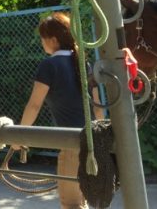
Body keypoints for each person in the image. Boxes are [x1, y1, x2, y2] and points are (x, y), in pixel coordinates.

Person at [12, 12, 104, 209]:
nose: (42, 43)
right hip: (94, 142)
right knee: (84, 201)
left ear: (52, 40)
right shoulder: (83, 63)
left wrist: (19, 136)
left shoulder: (49, 65)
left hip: (71, 143)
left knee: (71, 204)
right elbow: (98, 107)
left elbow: (34, 105)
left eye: (42, 38)